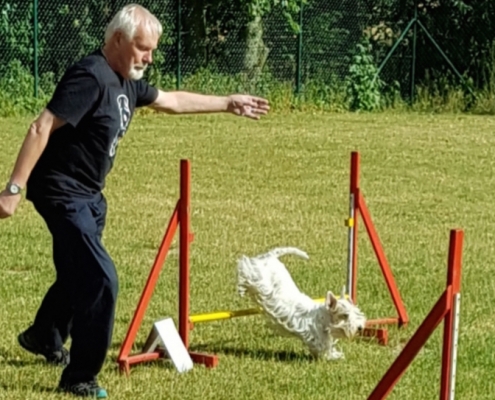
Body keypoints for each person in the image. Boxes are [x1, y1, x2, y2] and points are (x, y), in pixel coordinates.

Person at [0, 3, 269, 398]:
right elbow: (40, 126)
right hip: (61, 191)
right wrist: (12, 189)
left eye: (153, 50)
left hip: (90, 195)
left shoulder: (126, 80)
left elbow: (172, 101)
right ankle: (80, 376)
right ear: (118, 40)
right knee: (101, 278)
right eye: (143, 48)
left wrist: (227, 102)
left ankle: (45, 334)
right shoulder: (90, 76)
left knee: (79, 270)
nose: (149, 57)